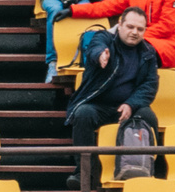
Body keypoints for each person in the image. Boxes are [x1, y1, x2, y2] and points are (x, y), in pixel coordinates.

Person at [65, 8, 160, 153]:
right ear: (120, 24)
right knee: (83, 114)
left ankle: (149, 165)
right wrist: (100, 55)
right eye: (130, 27)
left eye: (140, 29)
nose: (135, 32)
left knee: (149, 116)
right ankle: (82, 172)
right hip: (97, 105)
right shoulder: (103, 38)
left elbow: (150, 85)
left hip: (127, 107)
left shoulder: (148, 52)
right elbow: (96, 47)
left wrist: (130, 104)